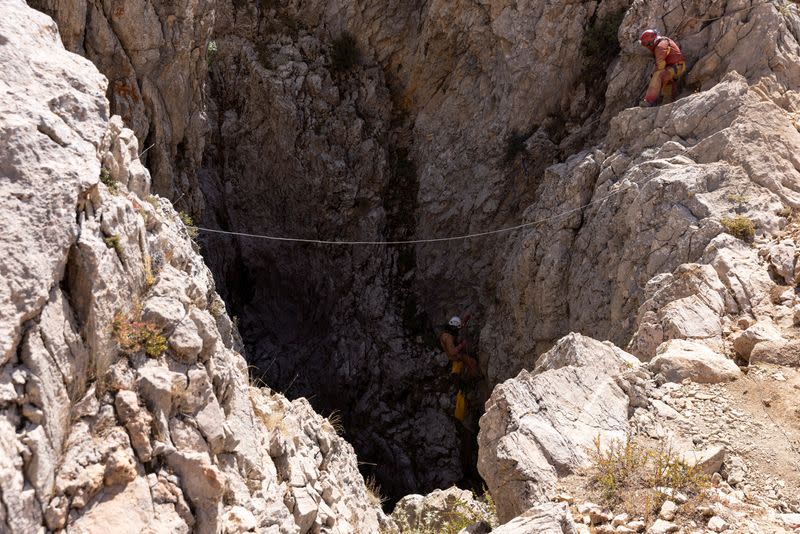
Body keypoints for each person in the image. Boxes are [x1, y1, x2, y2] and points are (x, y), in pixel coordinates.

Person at [639, 29, 685, 107]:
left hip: (676, 68)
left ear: (650, 42)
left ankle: (648, 101)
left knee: (658, 75)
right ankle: (669, 102)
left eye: (646, 44)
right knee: (666, 84)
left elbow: (660, 65)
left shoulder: (660, 46)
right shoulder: (663, 42)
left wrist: (654, 75)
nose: (647, 47)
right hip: (675, 67)